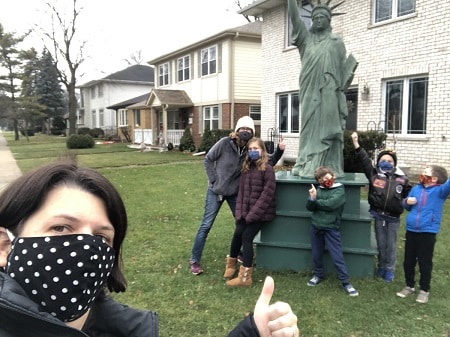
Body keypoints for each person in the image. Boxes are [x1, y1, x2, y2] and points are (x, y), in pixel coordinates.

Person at [0, 160, 300, 337]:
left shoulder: (119, 326)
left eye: (102, 237)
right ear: (4, 245)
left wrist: (251, 332)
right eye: (61, 228)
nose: (85, 247)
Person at [189, 116, 285, 275]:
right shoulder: (224, 143)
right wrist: (214, 180)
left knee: (241, 223)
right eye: (242, 129)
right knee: (206, 225)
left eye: (249, 130)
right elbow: (208, 159)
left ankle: (239, 252)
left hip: (234, 193)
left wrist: (280, 150)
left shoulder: (249, 150)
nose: (245, 132)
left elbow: (266, 162)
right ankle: (194, 259)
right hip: (216, 191)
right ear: (237, 130)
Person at [287, 0, 357, 178]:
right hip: (309, 89)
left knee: (327, 127)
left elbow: (342, 69)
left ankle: (328, 165)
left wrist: (347, 77)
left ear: (329, 20)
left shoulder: (336, 42)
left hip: (329, 92)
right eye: (314, 17)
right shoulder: (305, 39)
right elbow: (294, 18)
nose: (317, 20)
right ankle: (305, 162)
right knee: (308, 127)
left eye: (321, 17)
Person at [351, 132, 411, 282]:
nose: (386, 162)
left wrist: (410, 199)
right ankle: (381, 267)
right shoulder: (374, 175)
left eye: (389, 161)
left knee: (391, 245)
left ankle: (389, 270)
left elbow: (410, 193)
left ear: (394, 164)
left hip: (393, 218)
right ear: (378, 162)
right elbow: (364, 160)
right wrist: (356, 144)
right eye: (383, 160)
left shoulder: (402, 179)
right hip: (378, 215)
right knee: (381, 243)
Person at [224, 138, 276, 287]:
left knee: (246, 237)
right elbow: (241, 194)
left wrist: (252, 215)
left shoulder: (268, 169)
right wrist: (240, 213)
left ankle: (245, 277)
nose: (253, 151)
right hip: (245, 212)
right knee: (238, 233)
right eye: (250, 149)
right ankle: (231, 264)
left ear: (262, 151)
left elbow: (267, 195)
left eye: (256, 149)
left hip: (261, 213)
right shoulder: (246, 168)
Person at [396, 165, 450, 304]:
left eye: (426, 173)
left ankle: (424, 290)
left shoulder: (440, 191)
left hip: (428, 232)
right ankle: (409, 286)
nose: (422, 174)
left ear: (434, 178)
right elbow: (407, 205)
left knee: (425, 262)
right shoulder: (416, 188)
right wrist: (406, 201)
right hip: (412, 230)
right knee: (408, 260)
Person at [305, 166, 359, 296]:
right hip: (316, 226)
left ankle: (345, 282)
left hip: (331, 228)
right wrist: (312, 198)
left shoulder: (339, 189)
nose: (324, 180)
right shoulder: (318, 189)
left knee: (337, 256)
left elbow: (331, 205)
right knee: (316, 254)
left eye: (326, 176)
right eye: (320, 179)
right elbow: (309, 207)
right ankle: (318, 275)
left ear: (332, 175)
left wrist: (316, 201)